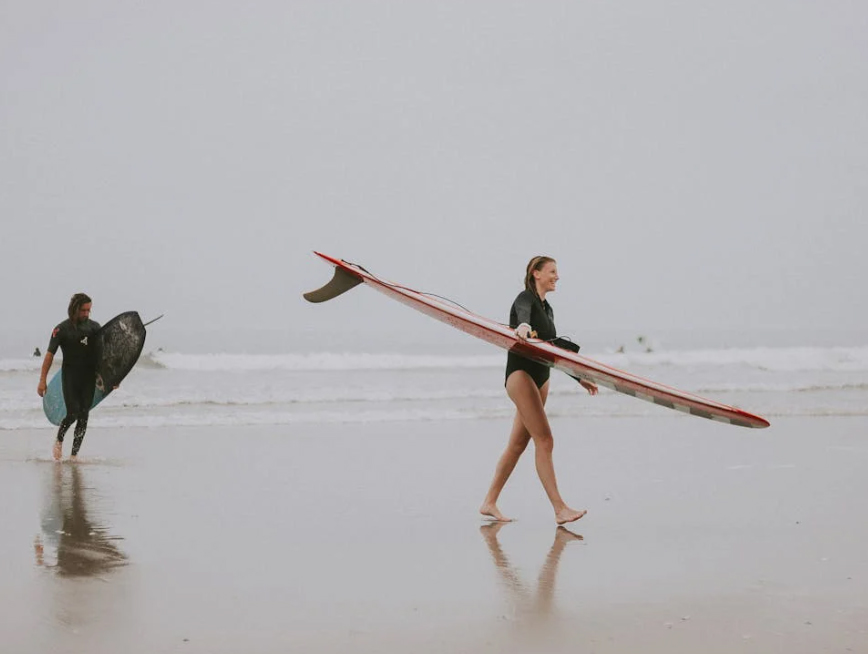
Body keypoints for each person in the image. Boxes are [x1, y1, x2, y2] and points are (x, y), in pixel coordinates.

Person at [480, 256, 598, 524]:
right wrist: (521, 326)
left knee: (517, 445)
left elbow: (553, 348)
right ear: (536, 274)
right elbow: (522, 314)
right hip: (521, 376)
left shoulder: (548, 309)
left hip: (542, 377)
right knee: (545, 439)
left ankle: (489, 502)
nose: (557, 276)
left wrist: (580, 378)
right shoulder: (525, 298)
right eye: (552, 271)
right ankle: (559, 509)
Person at [37, 293, 101, 461]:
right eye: (83, 310)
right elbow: (50, 355)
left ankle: (73, 456)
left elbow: (103, 355)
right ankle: (59, 439)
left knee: (84, 415)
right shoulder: (61, 329)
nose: (86, 314)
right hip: (70, 376)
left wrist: (112, 378)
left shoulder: (94, 328)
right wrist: (42, 380)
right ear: (74, 309)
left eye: (89, 310)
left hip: (88, 377)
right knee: (73, 413)